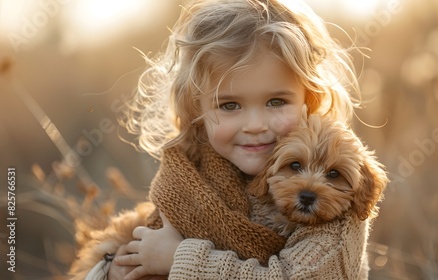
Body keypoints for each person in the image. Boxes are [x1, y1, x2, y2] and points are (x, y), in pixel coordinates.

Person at [77, 0, 374, 279]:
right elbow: (133, 244)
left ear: (309, 99)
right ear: (197, 111)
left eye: (276, 102)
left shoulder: (338, 220)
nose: (256, 126)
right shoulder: (188, 181)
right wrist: (112, 269)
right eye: (230, 105)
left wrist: (180, 257)